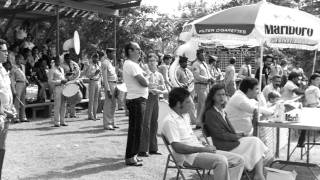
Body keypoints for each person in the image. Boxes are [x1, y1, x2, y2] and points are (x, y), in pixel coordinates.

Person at [161, 87, 245, 180]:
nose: (192, 105)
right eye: (188, 102)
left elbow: (190, 137)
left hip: (198, 151)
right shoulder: (170, 121)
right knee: (221, 161)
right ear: (178, 104)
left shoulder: (185, 116)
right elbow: (177, 147)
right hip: (187, 157)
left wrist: (203, 145)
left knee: (239, 160)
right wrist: (202, 149)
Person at [202, 84, 268, 180]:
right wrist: (238, 136)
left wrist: (239, 135)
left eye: (223, 94)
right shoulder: (210, 113)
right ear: (212, 97)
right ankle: (258, 174)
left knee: (255, 141)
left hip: (230, 142)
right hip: (222, 146)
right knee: (255, 143)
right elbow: (219, 134)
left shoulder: (221, 111)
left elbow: (229, 131)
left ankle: (258, 174)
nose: (222, 97)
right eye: (218, 95)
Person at [123, 42, 149, 166]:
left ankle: (133, 155)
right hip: (136, 100)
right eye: (137, 49)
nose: (140, 52)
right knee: (135, 130)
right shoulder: (130, 64)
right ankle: (130, 157)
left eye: (139, 49)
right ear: (130, 51)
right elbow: (144, 82)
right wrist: (148, 79)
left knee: (137, 129)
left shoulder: (134, 64)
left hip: (138, 99)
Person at [138, 53, 167, 157]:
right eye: (149, 61)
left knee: (154, 122)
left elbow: (164, 87)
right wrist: (151, 89)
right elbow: (142, 86)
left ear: (157, 62)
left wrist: (160, 89)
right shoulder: (145, 73)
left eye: (153, 61)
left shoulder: (159, 74)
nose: (151, 63)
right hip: (147, 98)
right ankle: (143, 149)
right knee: (146, 123)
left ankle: (153, 148)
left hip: (156, 98)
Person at [0, 39, 17, 178]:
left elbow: (6, 92)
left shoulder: (3, 69)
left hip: (6, 115)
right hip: (1, 115)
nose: (7, 53)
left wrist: (12, 108)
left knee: (2, 146)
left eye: (6, 50)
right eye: (4, 50)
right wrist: (5, 112)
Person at [192, 49, 213, 129]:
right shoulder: (195, 64)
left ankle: (201, 122)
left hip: (206, 86)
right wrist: (207, 79)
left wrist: (211, 78)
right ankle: (199, 123)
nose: (204, 56)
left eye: (204, 54)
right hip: (200, 86)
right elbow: (197, 76)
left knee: (204, 104)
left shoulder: (204, 63)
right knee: (202, 104)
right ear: (198, 55)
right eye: (202, 55)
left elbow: (208, 74)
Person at [176, 56, 196, 124]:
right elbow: (176, 82)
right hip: (183, 92)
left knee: (187, 107)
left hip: (190, 90)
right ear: (181, 63)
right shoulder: (178, 71)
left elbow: (192, 77)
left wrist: (190, 81)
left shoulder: (187, 70)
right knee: (192, 105)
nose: (186, 64)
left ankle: (186, 121)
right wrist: (182, 85)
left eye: (186, 62)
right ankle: (194, 121)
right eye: (184, 62)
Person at [101, 48, 118, 130]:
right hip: (110, 84)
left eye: (114, 53)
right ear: (108, 53)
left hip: (114, 84)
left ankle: (112, 122)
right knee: (108, 105)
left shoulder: (110, 63)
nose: (114, 55)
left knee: (114, 105)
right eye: (112, 53)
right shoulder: (105, 63)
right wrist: (107, 89)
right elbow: (105, 78)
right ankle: (107, 124)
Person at [49, 57, 68, 127]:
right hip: (57, 88)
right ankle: (57, 122)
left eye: (61, 61)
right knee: (57, 105)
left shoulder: (62, 69)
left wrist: (65, 80)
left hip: (63, 87)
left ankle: (63, 121)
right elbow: (50, 81)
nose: (60, 62)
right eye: (59, 61)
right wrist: (60, 81)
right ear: (56, 61)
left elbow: (62, 78)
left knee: (64, 104)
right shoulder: (52, 70)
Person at [61, 53, 81, 118]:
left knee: (77, 97)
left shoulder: (74, 64)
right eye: (66, 58)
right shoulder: (62, 65)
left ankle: (72, 113)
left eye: (69, 58)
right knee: (67, 98)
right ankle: (66, 114)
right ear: (64, 59)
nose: (68, 59)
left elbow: (78, 72)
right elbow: (61, 75)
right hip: (66, 82)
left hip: (74, 82)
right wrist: (67, 75)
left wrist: (76, 78)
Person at [11, 54, 28, 123]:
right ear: (16, 60)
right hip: (18, 83)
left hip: (24, 83)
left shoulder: (23, 66)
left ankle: (23, 117)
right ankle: (16, 117)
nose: (19, 60)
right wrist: (13, 89)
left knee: (23, 101)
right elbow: (12, 79)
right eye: (18, 59)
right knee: (17, 102)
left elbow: (24, 75)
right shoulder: (13, 68)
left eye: (21, 59)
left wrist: (26, 81)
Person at [87, 53, 101, 120]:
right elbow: (88, 75)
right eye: (95, 57)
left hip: (98, 82)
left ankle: (95, 114)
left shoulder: (98, 65)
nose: (96, 59)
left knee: (96, 99)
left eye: (97, 57)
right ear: (92, 58)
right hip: (92, 81)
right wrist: (95, 73)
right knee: (91, 99)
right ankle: (90, 114)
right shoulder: (90, 66)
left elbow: (100, 74)